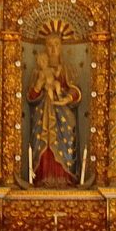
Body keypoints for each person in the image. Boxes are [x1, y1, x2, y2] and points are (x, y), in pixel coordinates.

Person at [23, 30, 84, 187]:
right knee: (43, 142)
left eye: (56, 45)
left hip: (63, 114)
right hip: (42, 114)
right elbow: (31, 96)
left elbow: (75, 90)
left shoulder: (67, 69)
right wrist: (39, 84)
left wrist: (66, 98)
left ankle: (65, 177)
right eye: (49, 45)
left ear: (61, 47)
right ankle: (43, 177)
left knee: (65, 141)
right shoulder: (37, 72)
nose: (53, 49)